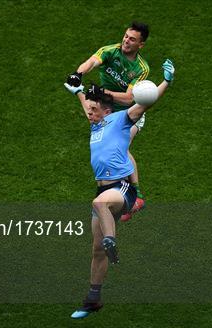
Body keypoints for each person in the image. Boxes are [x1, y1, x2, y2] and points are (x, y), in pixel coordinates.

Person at [63, 59, 175, 319]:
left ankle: (112, 239)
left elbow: (148, 100)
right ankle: (93, 298)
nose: (88, 113)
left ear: (104, 110)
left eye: (92, 110)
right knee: (96, 249)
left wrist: (166, 81)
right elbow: (86, 103)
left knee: (100, 206)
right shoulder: (96, 123)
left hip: (122, 188)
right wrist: (79, 92)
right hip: (101, 189)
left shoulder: (122, 119)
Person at [66, 21, 150, 222]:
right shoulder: (110, 51)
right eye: (126, 36)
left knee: (120, 147)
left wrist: (104, 92)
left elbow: (130, 98)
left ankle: (136, 195)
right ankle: (119, 197)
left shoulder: (141, 69)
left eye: (132, 39)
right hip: (106, 110)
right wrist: (79, 74)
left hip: (129, 113)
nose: (126, 41)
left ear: (141, 45)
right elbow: (92, 62)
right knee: (94, 123)